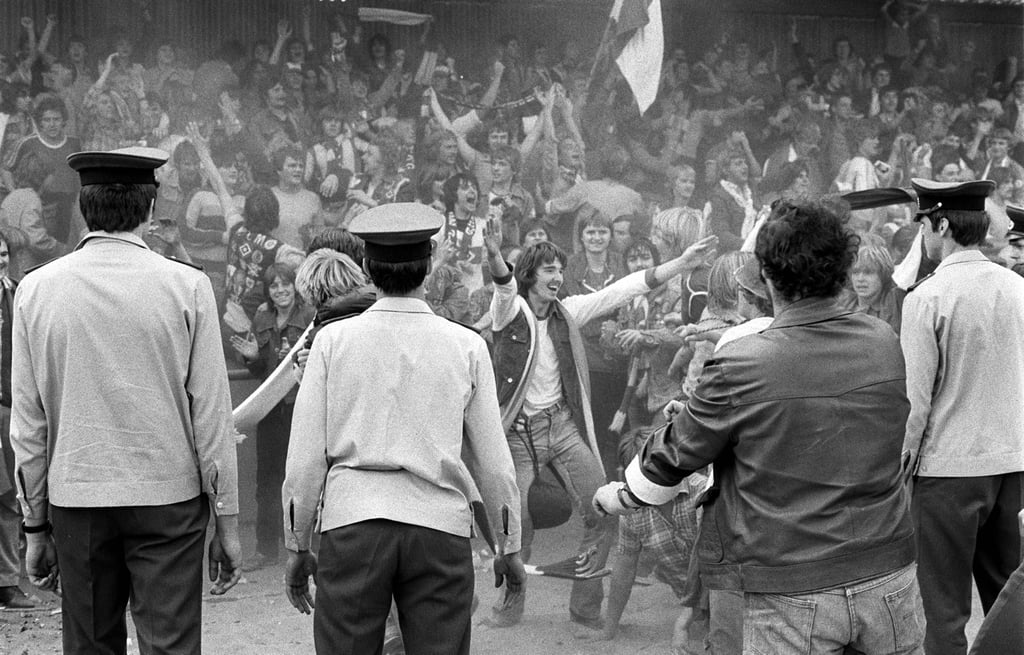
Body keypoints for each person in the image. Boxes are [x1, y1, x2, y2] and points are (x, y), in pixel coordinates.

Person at [595, 197, 925, 654]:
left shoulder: (742, 360)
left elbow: (676, 455)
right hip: (888, 578)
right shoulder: (883, 340)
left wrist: (621, 494)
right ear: (843, 270)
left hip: (793, 585)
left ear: (767, 276)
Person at [10, 147, 241, 653]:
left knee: (90, 644)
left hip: (78, 498)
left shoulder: (34, 290)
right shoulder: (189, 285)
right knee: (172, 645)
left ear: (82, 208)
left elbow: (28, 425)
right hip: (169, 502)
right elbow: (212, 416)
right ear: (150, 208)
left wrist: (35, 525)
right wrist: (228, 520)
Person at [281, 203, 525, 655]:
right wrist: (509, 545)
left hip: (353, 525)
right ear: (428, 266)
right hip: (439, 528)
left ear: (368, 268)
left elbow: (303, 459)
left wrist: (297, 544)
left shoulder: (332, 342)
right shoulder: (467, 345)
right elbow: (494, 461)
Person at [485, 216, 717, 630]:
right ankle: (509, 608)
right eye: (549, 270)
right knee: (514, 526)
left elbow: (622, 290)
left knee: (603, 509)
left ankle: (585, 607)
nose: (557, 277)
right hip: (519, 434)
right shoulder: (509, 311)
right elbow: (504, 289)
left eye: (560, 269)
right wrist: (493, 256)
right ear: (529, 276)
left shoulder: (567, 311)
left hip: (560, 425)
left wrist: (680, 264)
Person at [901, 178, 1024, 655]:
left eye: (925, 226)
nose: (925, 238)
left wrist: (904, 469)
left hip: (948, 473)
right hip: (1014, 464)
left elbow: (916, 402)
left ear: (943, 223)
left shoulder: (927, 297)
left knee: (943, 613)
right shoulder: (1018, 287)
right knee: (1010, 606)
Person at [231, 263, 313, 571]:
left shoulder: (308, 318)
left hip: (300, 407)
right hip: (270, 411)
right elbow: (259, 370)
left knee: (300, 478)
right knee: (267, 481)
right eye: (275, 286)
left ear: (295, 287)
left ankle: (302, 545)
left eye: (286, 284)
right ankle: (266, 550)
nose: (281, 290)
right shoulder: (262, 317)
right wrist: (253, 357)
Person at [0, 231, 32, 609]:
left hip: (9, 407)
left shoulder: (18, 293)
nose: (1, 261)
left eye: (5, 253)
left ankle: (7, 582)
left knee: (8, 497)